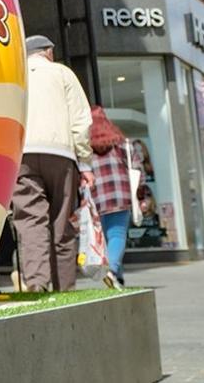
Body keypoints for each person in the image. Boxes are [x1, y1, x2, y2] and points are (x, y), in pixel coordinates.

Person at [11, 35, 93, 292]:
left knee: (30, 220)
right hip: (61, 153)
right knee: (62, 221)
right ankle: (64, 288)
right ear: (48, 52)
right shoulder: (63, 74)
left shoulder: (14, 76)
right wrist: (86, 163)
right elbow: (80, 122)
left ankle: (36, 285)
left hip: (22, 153)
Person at [88, 104, 134, 287]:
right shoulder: (120, 142)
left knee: (107, 239)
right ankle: (113, 271)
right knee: (117, 234)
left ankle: (117, 279)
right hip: (120, 194)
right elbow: (134, 163)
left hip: (97, 196)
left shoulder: (85, 145)